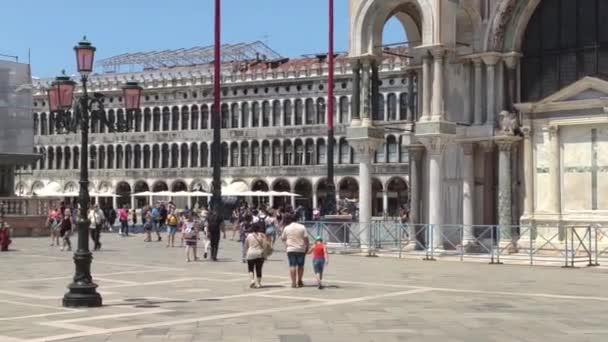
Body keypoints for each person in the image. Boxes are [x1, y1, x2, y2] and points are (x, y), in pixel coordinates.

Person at [281, 213, 309, 288]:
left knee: (292, 265)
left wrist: (286, 245)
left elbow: (283, 238)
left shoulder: (287, 228)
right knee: (300, 266)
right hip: (300, 248)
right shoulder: (302, 227)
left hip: (291, 249)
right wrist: (307, 247)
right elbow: (306, 239)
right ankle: (299, 280)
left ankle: (293, 282)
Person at [244, 223, 269, 288]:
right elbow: (265, 245)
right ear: (259, 228)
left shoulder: (249, 235)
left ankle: (252, 280)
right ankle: (259, 283)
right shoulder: (262, 235)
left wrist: (245, 253)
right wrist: (265, 255)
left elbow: (246, 245)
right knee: (259, 269)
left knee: (250, 268)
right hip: (259, 253)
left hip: (250, 253)